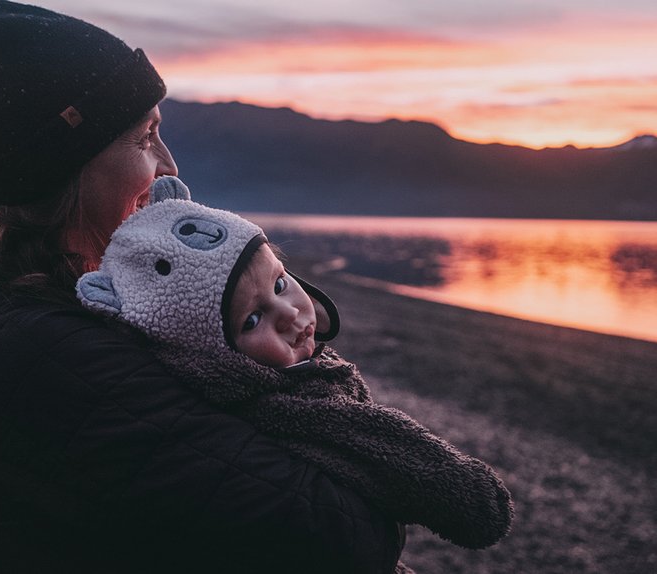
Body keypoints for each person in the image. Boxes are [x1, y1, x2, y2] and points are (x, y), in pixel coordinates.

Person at [0, 0, 404, 573]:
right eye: (144, 139)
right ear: (64, 170)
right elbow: (348, 535)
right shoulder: (46, 353)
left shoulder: (70, 310)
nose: (169, 165)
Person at [77, 176, 514, 560]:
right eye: (252, 320)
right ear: (212, 355)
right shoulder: (282, 408)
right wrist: (465, 494)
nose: (288, 313)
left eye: (281, 283)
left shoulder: (297, 375)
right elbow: (405, 459)